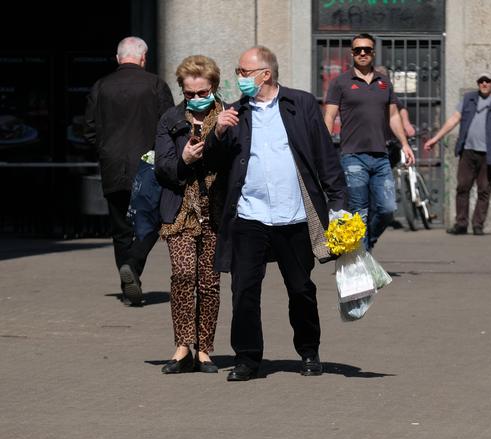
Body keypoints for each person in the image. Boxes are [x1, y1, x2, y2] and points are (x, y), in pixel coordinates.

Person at [205, 46, 346, 381]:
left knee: (300, 288)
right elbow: (212, 163)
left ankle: (309, 351)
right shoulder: (234, 113)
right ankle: (247, 358)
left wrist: (339, 203)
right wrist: (219, 132)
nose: (238, 77)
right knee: (244, 290)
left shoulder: (301, 104)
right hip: (250, 216)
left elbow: (325, 156)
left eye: (243, 71)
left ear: (264, 74)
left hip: (293, 215)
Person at [84, 36, 174, 306]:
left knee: (121, 229)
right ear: (143, 57)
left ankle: (128, 288)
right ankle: (133, 267)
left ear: (118, 57)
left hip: (112, 167)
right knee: (152, 222)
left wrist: (106, 149)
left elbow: (88, 130)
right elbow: (169, 124)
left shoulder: (100, 86)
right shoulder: (156, 85)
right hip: (147, 167)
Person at [154, 55, 224, 374]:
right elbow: (162, 169)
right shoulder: (170, 119)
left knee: (209, 282)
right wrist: (183, 159)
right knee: (183, 276)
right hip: (180, 210)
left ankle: (205, 349)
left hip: (216, 210)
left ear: (213, 87)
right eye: (189, 93)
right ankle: (183, 346)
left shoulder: (227, 117)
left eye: (202, 93)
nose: (196, 99)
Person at [323, 33, 415, 251]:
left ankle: (367, 245)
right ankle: (361, 263)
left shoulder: (384, 83)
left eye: (366, 49)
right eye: (357, 50)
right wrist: (324, 146)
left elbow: (393, 116)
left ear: (373, 52)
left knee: (387, 209)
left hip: (381, 156)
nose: (362, 53)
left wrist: (405, 144)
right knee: (359, 212)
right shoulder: (341, 83)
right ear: (352, 53)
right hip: (353, 156)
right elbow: (329, 116)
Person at [424, 72, 491, 235]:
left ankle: (478, 225)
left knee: (484, 189)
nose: (484, 84)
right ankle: (461, 224)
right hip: (468, 151)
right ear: (478, 83)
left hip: (489, 153)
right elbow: (453, 119)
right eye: (481, 81)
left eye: (487, 81)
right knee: (462, 187)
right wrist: (435, 138)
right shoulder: (468, 99)